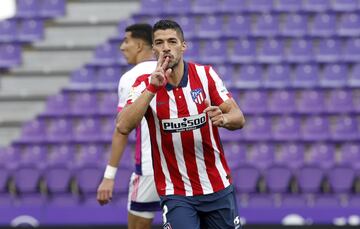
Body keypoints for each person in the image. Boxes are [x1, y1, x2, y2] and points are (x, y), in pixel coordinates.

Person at [116, 19, 245, 229]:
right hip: (176, 192)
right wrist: (152, 89)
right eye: (159, 42)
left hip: (217, 185)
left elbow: (238, 117)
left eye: (172, 41)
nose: (166, 47)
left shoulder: (205, 75)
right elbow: (123, 126)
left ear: (183, 46)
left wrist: (224, 119)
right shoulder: (142, 84)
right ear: (153, 49)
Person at [96, 23, 160, 229]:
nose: (122, 47)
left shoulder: (130, 78)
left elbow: (122, 129)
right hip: (183, 168)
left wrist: (108, 177)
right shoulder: (176, 70)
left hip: (150, 169)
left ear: (140, 45)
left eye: (126, 41)